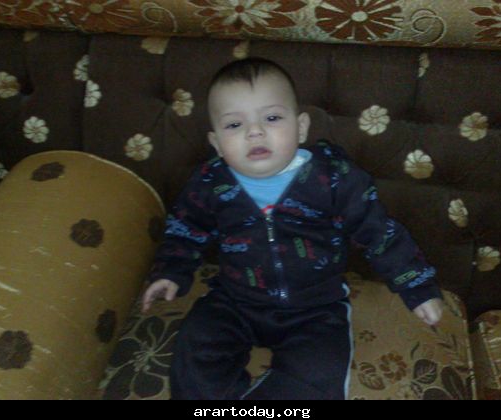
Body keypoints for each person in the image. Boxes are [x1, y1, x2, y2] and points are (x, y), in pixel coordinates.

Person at [142, 58, 443, 400]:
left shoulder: (334, 178)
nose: (255, 132)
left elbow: (380, 233)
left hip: (315, 309)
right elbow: (185, 228)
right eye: (235, 124)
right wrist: (170, 271)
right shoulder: (210, 182)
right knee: (194, 352)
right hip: (234, 301)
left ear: (301, 127)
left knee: (319, 373)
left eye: (271, 118)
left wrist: (418, 287)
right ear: (216, 143)